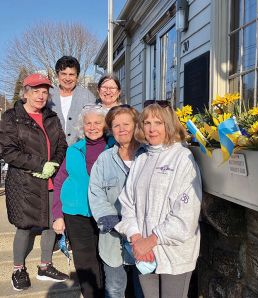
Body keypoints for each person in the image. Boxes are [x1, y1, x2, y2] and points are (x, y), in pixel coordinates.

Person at [115, 100, 202, 298]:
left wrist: (152, 240)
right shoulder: (142, 158)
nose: (152, 129)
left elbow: (186, 214)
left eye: (158, 123)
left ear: (168, 125)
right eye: (147, 123)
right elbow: (127, 202)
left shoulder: (182, 158)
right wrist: (136, 237)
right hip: (145, 254)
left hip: (173, 253)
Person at [0, 73, 69, 291]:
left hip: (50, 180)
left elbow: (62, 145)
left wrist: (54, 165)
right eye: (36, 91)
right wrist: (40, 165)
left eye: (44, 91)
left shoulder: (51, 117)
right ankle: (18, 269)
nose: (41, 96)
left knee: (50, 224)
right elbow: (8, 151)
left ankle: (45, 265)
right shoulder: (12, 117)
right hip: (24, 182)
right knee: (24, 225)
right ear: (26, 92)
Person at [52, 104, 114, 297]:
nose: (93, 127)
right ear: (82, 126)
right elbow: (59, 181)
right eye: (88, 123)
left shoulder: (115, 148)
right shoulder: (73, 150)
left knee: (109, 259)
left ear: (105, 125)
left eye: (97, 122)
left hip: (107, 212)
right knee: (85, 261)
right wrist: (57, 215)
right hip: (76, 213)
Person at [89, 105, 144, 298]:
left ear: (136, 125)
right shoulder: (104, 160)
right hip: (113, 237)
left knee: (143, 290)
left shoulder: (148, 156)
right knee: (114, 289)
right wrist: (116, 224)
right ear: (111, 130)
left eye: (126, 124)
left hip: (143, 238)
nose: (122, 129)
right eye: (116, 125)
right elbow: (95, 194)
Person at [48, 56, 96, 145]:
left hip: (79, 149)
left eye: (71, 74)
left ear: (77, 76)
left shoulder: (87, 96)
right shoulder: (48, 95)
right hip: (51, 149)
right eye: (63, 74)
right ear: (57, 75)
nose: (67, 78)